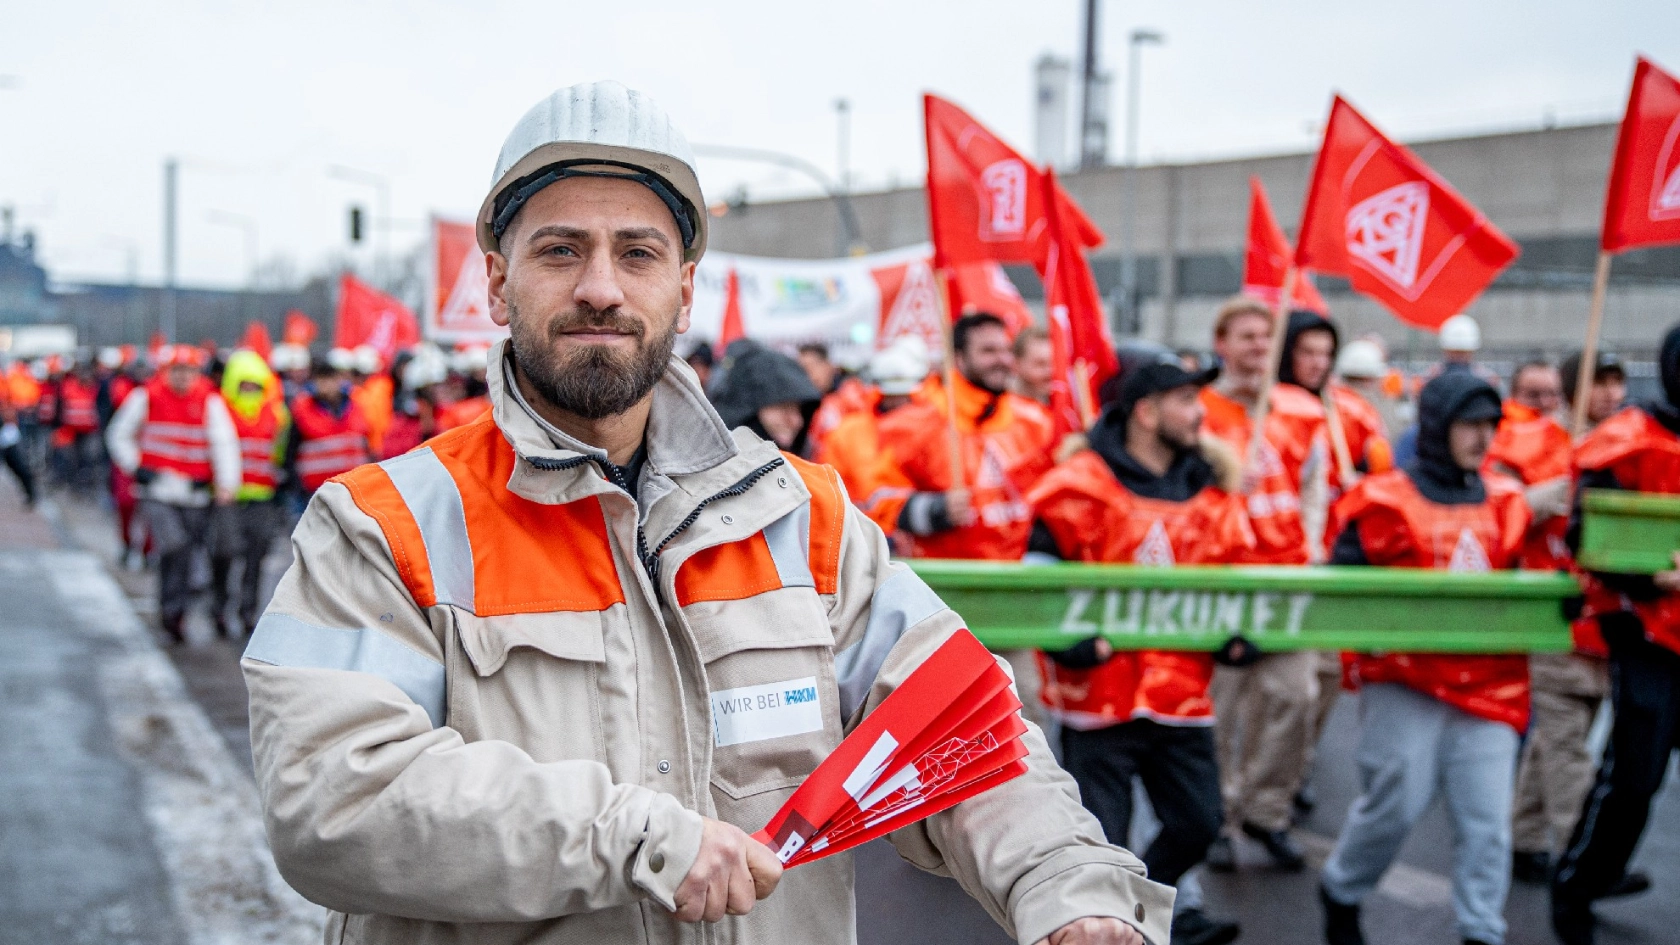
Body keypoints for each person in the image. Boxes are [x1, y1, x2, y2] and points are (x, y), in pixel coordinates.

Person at [241, 79, 1170, 945]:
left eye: (637, 252)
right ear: (496, 282)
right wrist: (636, 837)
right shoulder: (382, 524)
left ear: (684, 290)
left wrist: (1072, 891)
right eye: (560, 249)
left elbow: (959, 724)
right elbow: (330, 799)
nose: (600, 285)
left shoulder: (805, 517)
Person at [1027, 355, 1246, 945]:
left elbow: (1239, 582)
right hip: (1099, 700)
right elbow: (1038, 579)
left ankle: (1136, 908)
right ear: (1146, 412)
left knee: (1200, 825)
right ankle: (1110, 924)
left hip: (1183, 697)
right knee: (1103, 837)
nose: (1200, 412)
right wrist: (1065, 641)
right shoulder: (1079, 486)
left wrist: (1239, 638)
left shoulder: (1212, 490)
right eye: (1185, 399)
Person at [1319, 372, 1530, 945]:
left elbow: (1544, 582)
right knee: (1394, 806)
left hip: (1492, 685)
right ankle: (1341, 887)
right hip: (1404, 681)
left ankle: (1482, 929)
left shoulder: (1511, 500)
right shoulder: (1383, 499)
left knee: (1487, 823)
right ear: (1438, 426)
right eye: (1469, 424)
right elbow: (1344, 586)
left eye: (1491, 425)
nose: (1482, 438)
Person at [1550, 325, 1680, 945]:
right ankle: (1577, 886)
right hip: (1648, 633)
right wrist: (1653, 579)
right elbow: (1586, 539)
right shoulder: (1625, 442)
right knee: (1632, 779)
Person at [1199, 297, 1326, 873]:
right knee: (1223, 706)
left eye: (1264, 337)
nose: (1256, 347)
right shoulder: (1198, 409)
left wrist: (1314, 548)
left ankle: (1266, 810)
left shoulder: (1301, 409)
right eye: (1245, 336)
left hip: (1286, 577)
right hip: (1223, 580)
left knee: (1296, 698)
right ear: (1221, 343)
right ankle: (1219, 818)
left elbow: (1313, 486)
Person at [1487, 360, 1619, 888]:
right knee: (1567, 747)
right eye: (1598, 381)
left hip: (1606, 617)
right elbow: (1495, 511)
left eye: (1616, 382)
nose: (1608, 394)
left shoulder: (1626, 444)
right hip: (1550, 611)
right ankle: (1581, 858)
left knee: (1559, 740)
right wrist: (1549, 495)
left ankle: (1523, 837)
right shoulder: (1527, 443)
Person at [873, 312, 1056, 560]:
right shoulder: (912, 425)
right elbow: (877, 500)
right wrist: (934, 510)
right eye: (988, 351)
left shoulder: (1035, 421)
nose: (1002, 360)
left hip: (1020, 579)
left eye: (1006, 350)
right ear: (958, 358)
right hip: (949, 580)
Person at [106, 344, 241, 642]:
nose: (182, 378)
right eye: (176, 371)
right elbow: (118, 434)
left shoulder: (209, 401)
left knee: (187, 553)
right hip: (157, 492)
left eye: (188, 371)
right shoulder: (146, 396)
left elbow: (224, 444)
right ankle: (171, 609)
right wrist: (135, 465)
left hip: (194, 495)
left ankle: (175, 611)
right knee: (173, 547)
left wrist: (226, 483)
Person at [208, 350, 288, 640]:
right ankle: (219, 608)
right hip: (227, 498)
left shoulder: (277, 414)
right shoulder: (219, 410)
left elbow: (279, 452)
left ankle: (248, 612)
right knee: (223, 556)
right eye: (245, 385)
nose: (250, 391)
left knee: (256, 559)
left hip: (262, 497)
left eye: (256, 385)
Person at [815, 336, 931, 527]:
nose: (897, 402)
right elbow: (827, 490)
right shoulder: (847, 433)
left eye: (904, 394)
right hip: (862, 534)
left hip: (925, 539)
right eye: (891, 394)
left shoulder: (935, 427)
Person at [709, 339, 824, 455]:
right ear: (749, 410)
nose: (798, 422)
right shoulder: (715, 463)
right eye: (784, 408)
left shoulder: (808, 463)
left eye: (800, 410)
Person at [285, 348, 371, 496]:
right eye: (321, 378)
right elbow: (291, 452)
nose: (326, 384)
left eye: (330, 378)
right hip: (316, 492)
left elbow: (365, 445)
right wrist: (298, 487)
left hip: (353, 488)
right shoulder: (302, 410)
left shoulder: (356, 405)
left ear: (339, 379)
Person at [1558, 350, 1627, 429]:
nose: (1611, 393)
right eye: (1599, 382)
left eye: (1617, 382)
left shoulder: (1631, 433)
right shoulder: (1553, 434)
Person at [1012, 325, 1054, 406]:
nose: (1050, 371)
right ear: (1016, 365)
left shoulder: (1064, 408)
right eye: (1040, 364)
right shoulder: (1004, 408)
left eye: (1053, 364)